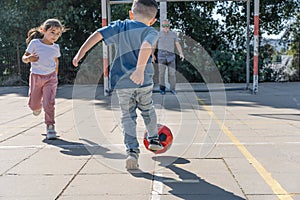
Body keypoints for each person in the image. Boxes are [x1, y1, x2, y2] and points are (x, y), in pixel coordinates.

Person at [72, 0, 163, 170]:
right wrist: (140, 70)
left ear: (131, 13)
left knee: (127, 116)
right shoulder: (151, 31)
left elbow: (98, 34)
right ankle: (153, 138)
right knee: (147, 108)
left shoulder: (120, 26)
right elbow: (145, 47)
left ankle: (132, 153)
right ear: (152, 20)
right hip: (144, 82)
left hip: (122, 83)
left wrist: (80, 53)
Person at [22, 19, 66, 140]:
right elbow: (24, 58)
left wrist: (55, 76)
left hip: (51, 78)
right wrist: (29, 58)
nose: (55, 36)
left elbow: (56, 62)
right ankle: (37, 107)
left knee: (49, 103)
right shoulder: (35, 43)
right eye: (52, 32)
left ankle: (50, 126)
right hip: (36, 76)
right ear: (43, 31)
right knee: (34, 105)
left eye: (58, 34)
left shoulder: (56, 47)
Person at [152, 19, 184, 95]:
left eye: (167, 26)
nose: (165, 27)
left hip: (171, 57)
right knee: (161, 74)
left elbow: (177, 44)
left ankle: (173, 89)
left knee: (172, 74)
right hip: (161, 57)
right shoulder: (158, 34)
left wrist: (181, 53)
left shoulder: (173, 34)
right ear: (162, 26)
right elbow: (154, 45)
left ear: (169, 26)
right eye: (164, 26)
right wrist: (152, 54)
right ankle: (162, 89)